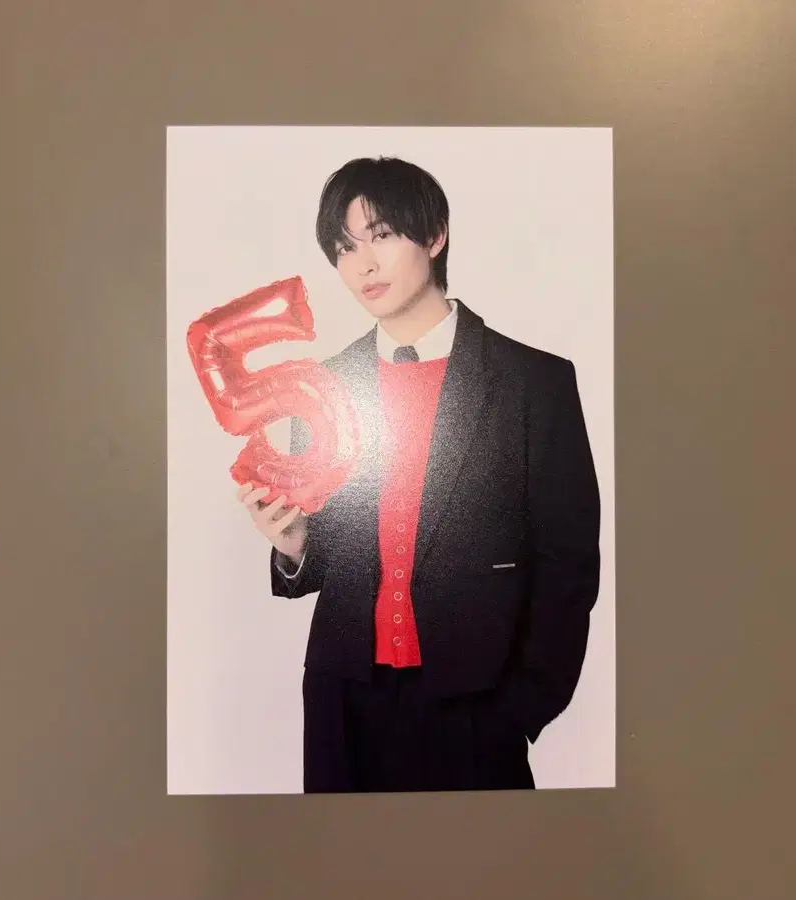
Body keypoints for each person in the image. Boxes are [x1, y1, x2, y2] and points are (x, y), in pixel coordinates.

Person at [236, 155, 601, 793]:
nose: (363, 264)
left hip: (476, 703)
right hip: (344, 700)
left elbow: (568, 562)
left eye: (381, 235)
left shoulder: (533, 382)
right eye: (345, 247)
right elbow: (326, 561)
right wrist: (294, 547)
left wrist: (521, 709)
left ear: (434, 236)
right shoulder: (325, 387)